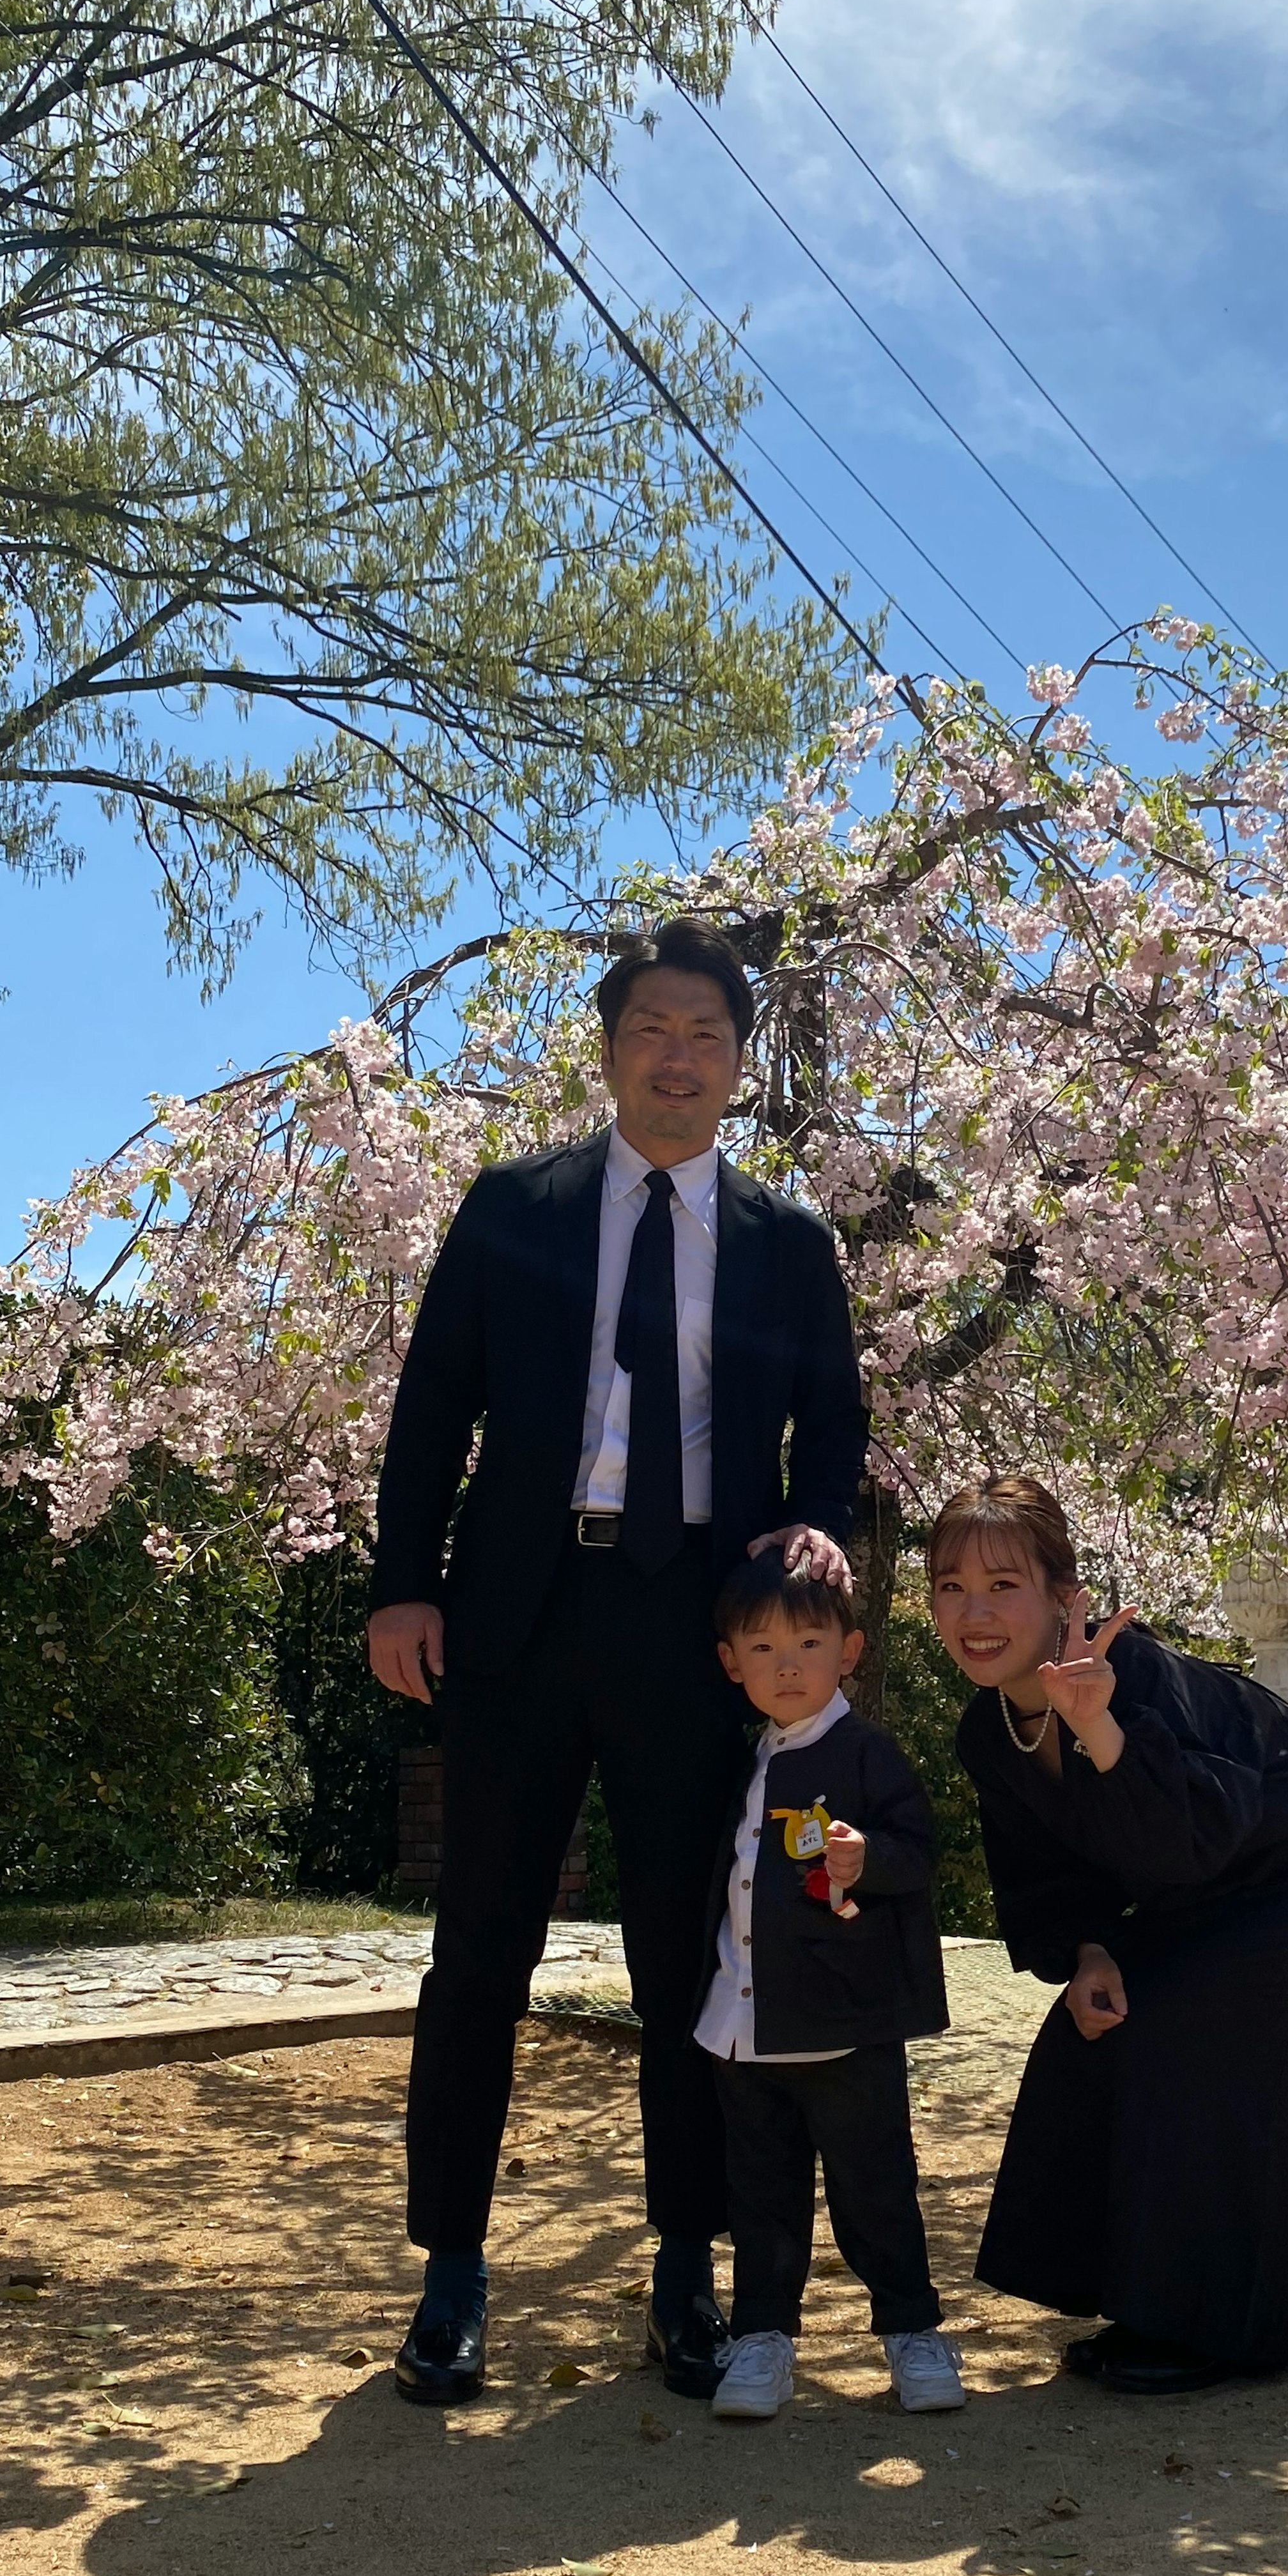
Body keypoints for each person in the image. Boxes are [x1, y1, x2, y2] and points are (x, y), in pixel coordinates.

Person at [365, 921, 866, 2407]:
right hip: (522, 1612)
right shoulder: (516, 1207)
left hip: (697, 1632)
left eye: (706, 1031)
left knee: (690, 1959)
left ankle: (684, 2268)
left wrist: (807, 1579)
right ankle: (452, 2274)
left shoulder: (788, 1243)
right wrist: (404, 1587)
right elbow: (429, 1408)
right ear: (609, 1048)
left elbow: (830, 1435)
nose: (677, 1054)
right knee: (480, 1956)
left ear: (738, 1062)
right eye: (651, 1025)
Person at [926, 1474, 1288, 2394]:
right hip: (1225, 1887)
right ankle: (1143, 2299)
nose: (974, 1613)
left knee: (1183, 2026)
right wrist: (1090, 1953)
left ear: (1067, 1597)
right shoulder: (990, 1731)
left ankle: (1208, 2329)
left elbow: (1191, 1840)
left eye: (1003, 1586)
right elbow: (1049, 1877)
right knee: (1095, 2027)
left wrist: (1097, 1726)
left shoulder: (1131, 1674)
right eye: (950, 1588)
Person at [694, 1552, 960, 2421]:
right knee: (762, 2197)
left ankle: (913, 2332)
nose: (787, 1664)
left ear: (848, 1651)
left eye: (808, 1642)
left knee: (875, 2188)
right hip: (744, 2027)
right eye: (763, 1646)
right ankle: (764, 2338)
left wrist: (869, 1859)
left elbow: (918, 1855)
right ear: (730, 1661)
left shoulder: (864, 1754)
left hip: (844, 2028)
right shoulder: (742, 1759)